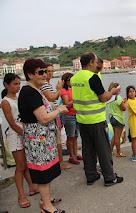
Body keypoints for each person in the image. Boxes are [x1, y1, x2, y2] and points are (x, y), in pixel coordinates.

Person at [18, 59, 68, 213]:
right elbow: (43, 117)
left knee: (47, 170)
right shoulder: (29, 92)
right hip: (38, 140)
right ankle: (47, 207)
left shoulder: (35, 90)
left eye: (45, 71)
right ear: (29, 74)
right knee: (43, 172)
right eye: (40, 72)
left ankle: (46, 199)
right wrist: (59, 110)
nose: (45, 75)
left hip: (45, 139)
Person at [71, 51, 123, 186]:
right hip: (96, 120)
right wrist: (113, 92)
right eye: (95, 62)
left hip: (82, 120)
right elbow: (103, 98)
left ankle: (91, 175)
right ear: (91, 63)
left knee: (88, 150)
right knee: (103, 150)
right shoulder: (92, 77)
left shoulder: (74, 78)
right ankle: (110, 177)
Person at [1, 73, 38, 208]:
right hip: (15, 135)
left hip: (24, 132)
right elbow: (12, 123)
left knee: (27, 164)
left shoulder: (18, 98)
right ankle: (21, 195)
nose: (18, 86)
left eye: (19, 83)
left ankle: (32, 187)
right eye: (15, 84)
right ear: (6, 85)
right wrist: (26, 134)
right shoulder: (5, 102)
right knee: (20, 166)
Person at [40, 64, 71, 170]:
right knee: (57, 140)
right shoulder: (45, 85)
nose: (50, 73)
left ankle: (58, 161)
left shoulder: (48, 84)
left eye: (52, 71)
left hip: (54, 113)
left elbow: (54, 98)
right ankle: (60, 162)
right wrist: (59, 89)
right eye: (48, 71)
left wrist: (58, 90)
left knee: (56, 139)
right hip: (52, 114)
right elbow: (50, 98)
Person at [60, 73, 82, 165]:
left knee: (76, 136)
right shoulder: (64, 91)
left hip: (77, 114)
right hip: (69, 116)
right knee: (70, 136)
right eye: (69, 80)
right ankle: (71, 156)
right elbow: (67, 104)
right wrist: (76, 98)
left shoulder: (74, 90)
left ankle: (76, 153)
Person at [107, 82, 127, 157]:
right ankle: (119, 152)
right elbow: (123, 108)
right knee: (118, 136)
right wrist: (125, 103)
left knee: (114, 136)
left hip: (112, 117)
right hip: (118, 118)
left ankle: (111, 150)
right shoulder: (118, 98)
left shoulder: (109, 98)